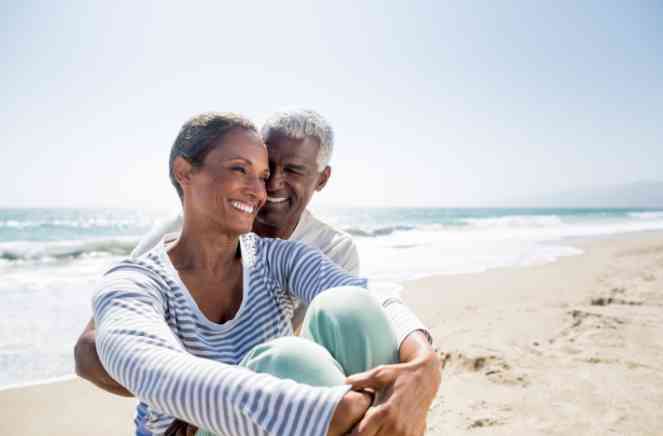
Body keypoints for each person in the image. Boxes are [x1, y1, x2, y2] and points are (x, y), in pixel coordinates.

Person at [87, 113, 441, 436]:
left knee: (349, 306)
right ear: (185, 172)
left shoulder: (279, 257)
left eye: (262, 175)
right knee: (291, 361)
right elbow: (144, 363)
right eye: (240, 169)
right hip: (197, 427)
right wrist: (324, 411)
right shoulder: (135, 279)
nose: (262, 190)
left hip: (295, 414)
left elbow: (366, 294)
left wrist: (424, 360)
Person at [75, 110, 358, 398]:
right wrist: (184, 397)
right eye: (267, 168)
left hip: (271, 401)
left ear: (322, 179)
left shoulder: (328, 250)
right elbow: (89, 347)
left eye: (294, 170)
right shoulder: (181, 231)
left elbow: (323, 354)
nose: (271, 185)